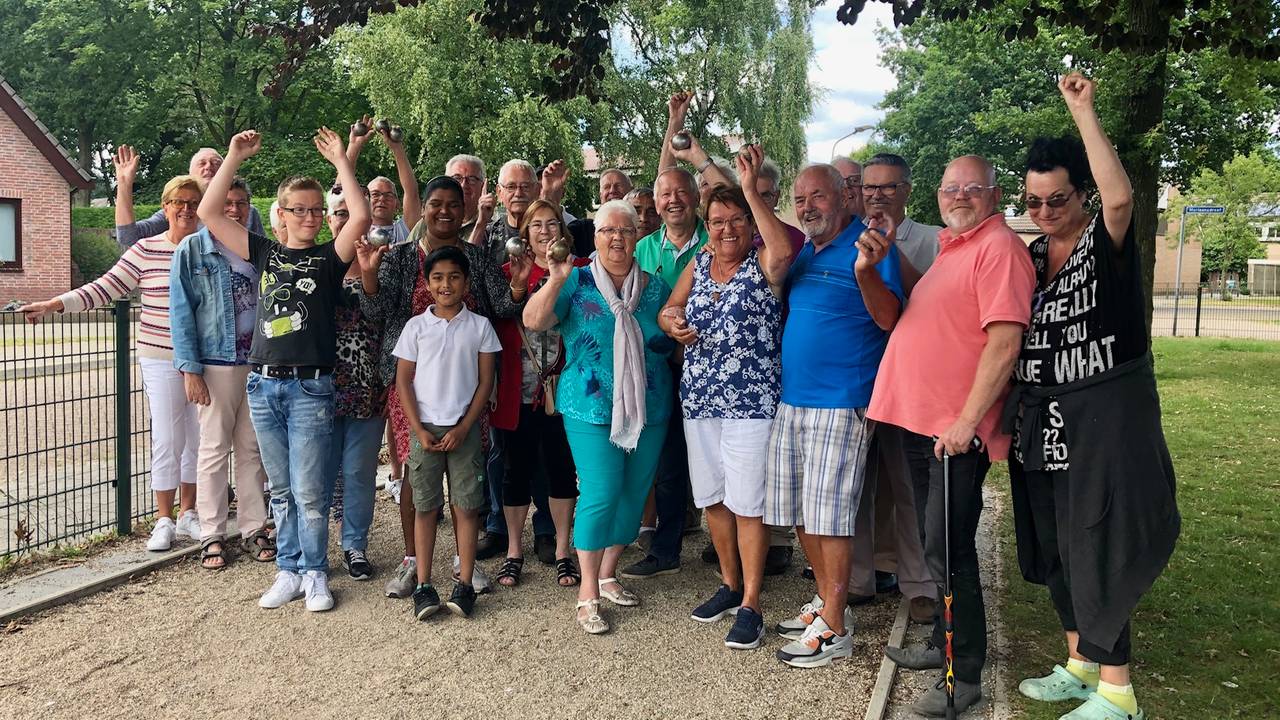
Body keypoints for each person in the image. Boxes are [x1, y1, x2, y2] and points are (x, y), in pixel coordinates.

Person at [1006, 73, 1179, 720]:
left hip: (1105, 420)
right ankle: (1079, 662)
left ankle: (1118, 692)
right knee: (1056, 546)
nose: (1046, 212)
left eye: (1057, 200)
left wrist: (1083, 112)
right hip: (1044, 421)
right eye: (1035, 201)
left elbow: (1121, 199)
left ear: (1080, 193)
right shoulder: (1028, 254)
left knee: (1098, 543)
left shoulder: (1103, 247)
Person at [868, 154, 1034, 715]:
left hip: (953, 434)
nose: (958, 196)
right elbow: (921, 305)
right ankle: (944, 645)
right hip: (922, 423)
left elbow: (1005, 343)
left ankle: (960, 677)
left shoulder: (999, 249)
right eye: (950, 188)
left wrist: (967, 422)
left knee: (950, 551)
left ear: (996, 192)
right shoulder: (953, 248)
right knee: (937, 547)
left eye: (972, 188)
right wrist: (889, 257)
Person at [196, 127, 370, 613]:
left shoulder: (329, 257)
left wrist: (342, 160)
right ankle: (288, 569)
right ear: (282, 213)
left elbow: (358, 215)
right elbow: (210, 213)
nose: (311, 217)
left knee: (311, 491)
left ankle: (315, 572)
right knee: (283, 490)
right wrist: (232, 156)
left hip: (312, 387)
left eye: (317, 209)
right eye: (301, 209)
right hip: (264, 386)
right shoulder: (265, 252)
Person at [360, 176, 529, 600]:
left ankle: (461, 564)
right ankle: (413, 564)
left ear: (465, 208)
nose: (444, 211)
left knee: (465, 477)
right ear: (424, 209)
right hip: (411, 389)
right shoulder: (398, 258)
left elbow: (503, 307)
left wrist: (519, 284)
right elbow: (377, 310)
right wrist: (368, 275)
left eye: (454, 204)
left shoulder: (476, 259)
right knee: (419, 478)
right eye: (435, 203)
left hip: (466, 390)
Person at [21, 164, 203, 551]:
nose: (186, 209)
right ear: (165, 207)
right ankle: (164, 519)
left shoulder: (210, 248)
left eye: (193, 203)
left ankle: (189, 513)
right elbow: (105, 288)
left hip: (205, 360)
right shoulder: (146, 249)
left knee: (198, 439)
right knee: (168, 437)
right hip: (160, 355)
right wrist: (56, 304)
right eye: (179, 203)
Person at [768, 163, 903, 669]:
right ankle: (828, 604)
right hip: (793, 400)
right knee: (801, 511)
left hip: (842, 400)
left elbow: (889, 317)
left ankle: (837, 629)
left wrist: (866, 272)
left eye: (817, 196)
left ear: (844, 197)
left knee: (831, 517)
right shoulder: (805, 253)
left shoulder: (867, 246)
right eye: (801, 199)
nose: (807, 207)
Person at [658, 147, 793, 650]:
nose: (726, 229)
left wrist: (752, 190)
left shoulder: (763, 262)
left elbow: (781, 248)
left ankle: (753, 602)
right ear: (705, 224)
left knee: (748, 504)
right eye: (717, 221)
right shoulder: (700, 260)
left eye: (736, 220)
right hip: (699, 400)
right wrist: (671, 322)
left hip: (751, 405)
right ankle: (730, 584)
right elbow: (670, 309)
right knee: (713, 497)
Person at [522, 200, 674, 635]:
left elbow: (671, 333)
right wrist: (554, 279)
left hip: (649, 406)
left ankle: (608, 572)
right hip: (589, 407)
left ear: (637, 238)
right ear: (596, 236)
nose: (617, 239)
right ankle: (586, 590)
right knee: (602, 491)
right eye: (608, 231)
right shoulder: (577, 280)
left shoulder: (656, 287)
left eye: (626, 231)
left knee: (633, 492)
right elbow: (534, 320)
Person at [850, 152, 942, 620]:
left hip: (911, 385)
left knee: (908, 486)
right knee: (856, 485)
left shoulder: (934, 240)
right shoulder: (848, 237)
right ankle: (857, 577)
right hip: (860, 380)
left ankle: (920, 583)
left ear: (907, 189)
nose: (878, 196)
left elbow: (931, 301)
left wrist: (890, 250)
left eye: (888, 187)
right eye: (870, 188)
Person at [170, 176, 275, 569]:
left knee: (252, 450)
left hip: (258, 362)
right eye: (227, 202)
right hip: (216, 363)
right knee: (213, 450)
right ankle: (212, 533)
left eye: (242, 203)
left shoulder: (256, 249)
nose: (234, 209)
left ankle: (253, 527)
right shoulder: (193, 250)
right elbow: (180, 314)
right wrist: (190, 369)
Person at [391, 246, 502, 620]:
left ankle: (465, 584)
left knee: (467, 506)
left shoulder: (480, 327)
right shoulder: (416, 327)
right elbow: (404, 380)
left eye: (454, 276)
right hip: (426, 431)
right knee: (425, 506)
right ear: (427, 282)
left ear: (467, 282)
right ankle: (423, 584)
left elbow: (486, 383)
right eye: (437, 277)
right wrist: (418, 428)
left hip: (464, 430)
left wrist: (465, 426)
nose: (446, 284)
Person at [490, 199, 588, 588]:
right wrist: (518, 283)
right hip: (519, 387)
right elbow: (497, 321)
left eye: (552, 224)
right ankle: (515, 550)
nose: (546, 231)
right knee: (516, 470)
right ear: (525, 236)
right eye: (537, 226)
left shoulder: (581, 272)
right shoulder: (509, 273)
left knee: (561, 468)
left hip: (568, 389)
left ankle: (563, 549)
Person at [621, 166, 708, 580]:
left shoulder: (719, 237)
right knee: (669, 461)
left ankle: (729, 545)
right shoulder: (640, 250)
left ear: (696, 197)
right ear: (655, 205)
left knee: (718, 457)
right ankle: (666, 547)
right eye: (665, 194)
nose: (673, 200)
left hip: (713, 367)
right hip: (660, 369)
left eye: (681, 192)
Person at [325, 186, 387, 582]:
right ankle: (312, 551)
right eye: (338, 213)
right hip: (320, 388)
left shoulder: (382, 263)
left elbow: (384, 316)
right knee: (321, 473)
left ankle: (355, 546)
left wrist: (369, 274)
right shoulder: (315, 264)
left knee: (360, 471)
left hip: (369, 385)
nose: (345, 219)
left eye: (353, 213)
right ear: (328, 219)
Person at [115, 146, 265, 248]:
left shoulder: (247, 211)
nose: (209, 167)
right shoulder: (178, 212)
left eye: (216, 163)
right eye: (202, 163)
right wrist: (124, 184)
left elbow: (262, 255)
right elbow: (128, 236)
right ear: (190, 174)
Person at [346, 115, 421, 244]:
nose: (382, 199)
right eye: (375, 194)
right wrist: (354, 146)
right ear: (365, 199)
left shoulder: (406, 229)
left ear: (397, 204)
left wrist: (397, 148)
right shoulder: (355, 228)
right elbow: (341, 189)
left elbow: (411, 192)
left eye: (388, 195)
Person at [446, 153, 488, 241]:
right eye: (457, 178)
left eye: (472, 179)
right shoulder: (430, 222)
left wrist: (482, 222)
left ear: (483, 185)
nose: (464, 185)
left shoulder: (494, 229)